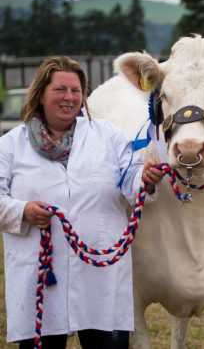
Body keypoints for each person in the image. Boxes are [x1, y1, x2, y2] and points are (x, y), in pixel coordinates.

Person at [0, 56, 165, 349]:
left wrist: (147, 178)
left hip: (99, 275)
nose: (69, 97)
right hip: (41, 273)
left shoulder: (109, 137)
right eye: (60, 89)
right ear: (40, 94)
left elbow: (132, 179)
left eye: (76, 90)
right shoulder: (12, 145)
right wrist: (22, 211)